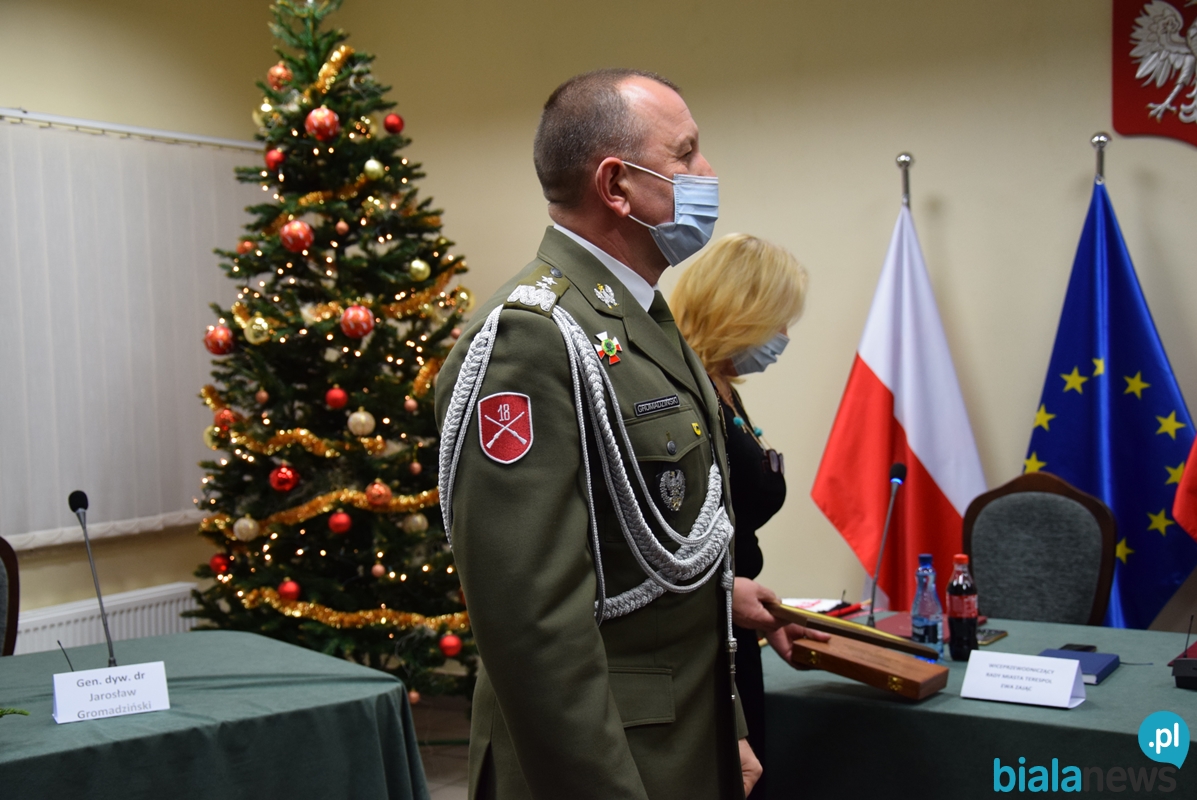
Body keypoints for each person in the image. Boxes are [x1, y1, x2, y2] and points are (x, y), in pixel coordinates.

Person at [436, 69, 771, 800]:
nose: (706, 171)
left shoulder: (640, 316)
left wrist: (731, 725)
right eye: (685, 154)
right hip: (605, 762)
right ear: (617, 185)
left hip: (684, 735)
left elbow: (686, 563)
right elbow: (532, 625)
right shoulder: (532, 338)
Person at [671, 233, 812, 799]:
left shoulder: (723, 388)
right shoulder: (686, 392)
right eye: (778, 320)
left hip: (734, 621)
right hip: (701, 636)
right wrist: (728, 594)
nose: (784, 337)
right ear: (740, 311)